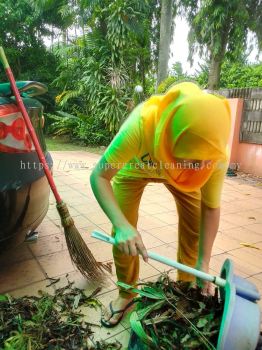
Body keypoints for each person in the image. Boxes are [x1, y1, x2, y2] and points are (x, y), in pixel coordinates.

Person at [90, 82, 231, 328]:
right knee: (123, 235)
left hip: (183, 181)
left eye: (204, 162)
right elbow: (99, 176)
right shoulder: (141, 125)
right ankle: (126, 292)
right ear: (171, 137)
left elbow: (210, 208)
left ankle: (187, 290)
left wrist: (204, 262)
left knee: (194, 234)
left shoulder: (214, 156)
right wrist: (122, 225)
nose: (199, 167)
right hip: (136, 168)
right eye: (193, 159)